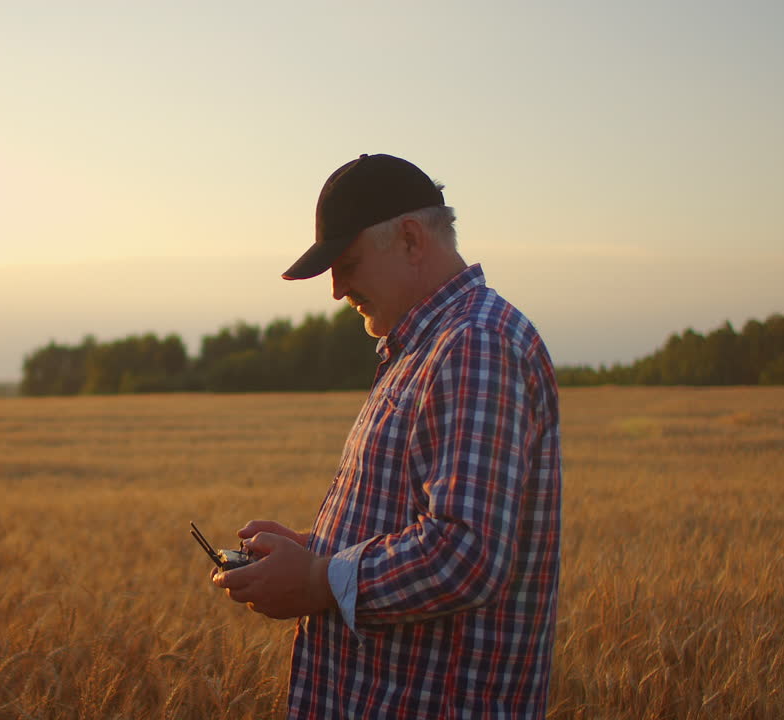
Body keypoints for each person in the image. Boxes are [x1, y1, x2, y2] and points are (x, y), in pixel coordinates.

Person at [212, 153, 562, 719]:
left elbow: (465, 553)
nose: (336, 290)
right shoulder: (429, 346)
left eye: (346, 263)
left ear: (408, 239)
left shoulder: (475, 345)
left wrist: (317, 580)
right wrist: (315, 551)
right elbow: (415, 525)